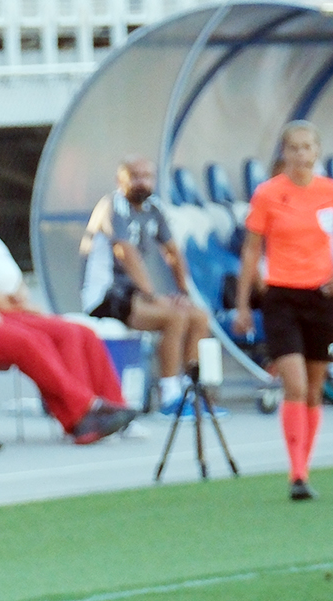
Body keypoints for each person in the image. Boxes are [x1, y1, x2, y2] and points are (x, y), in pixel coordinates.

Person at [0, 177, 136, 444]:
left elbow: (17, 286)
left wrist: (19, 302)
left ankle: (114, 406)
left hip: (14, 312)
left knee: (79, 332)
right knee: (41, 339)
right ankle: (81, 415)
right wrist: (18, 302)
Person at [234, 120, 333, 501]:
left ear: (316, 151)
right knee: (293, 384)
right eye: (294, 148)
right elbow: (251, 249)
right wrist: (244, 303)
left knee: (313, 388)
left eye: (308, 147)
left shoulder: (328, 192)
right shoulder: (269, 194)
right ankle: (296, 472)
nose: (301, 155)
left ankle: (305, 467)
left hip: (321, 298)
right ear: (284, 152)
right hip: (281, 296)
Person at [82, 155, 213, 414]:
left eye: (148, 176)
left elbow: (173, 252)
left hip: (134, 294)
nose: (143, 182)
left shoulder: (154, 208)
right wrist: (152, 294)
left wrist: (184, 293)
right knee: (173, 317)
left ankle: (191, 391)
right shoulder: (112, 206)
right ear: (121, 180)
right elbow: (124, 252)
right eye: (136, 176)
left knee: (198, 316)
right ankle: (169, 396)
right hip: (106, 295)